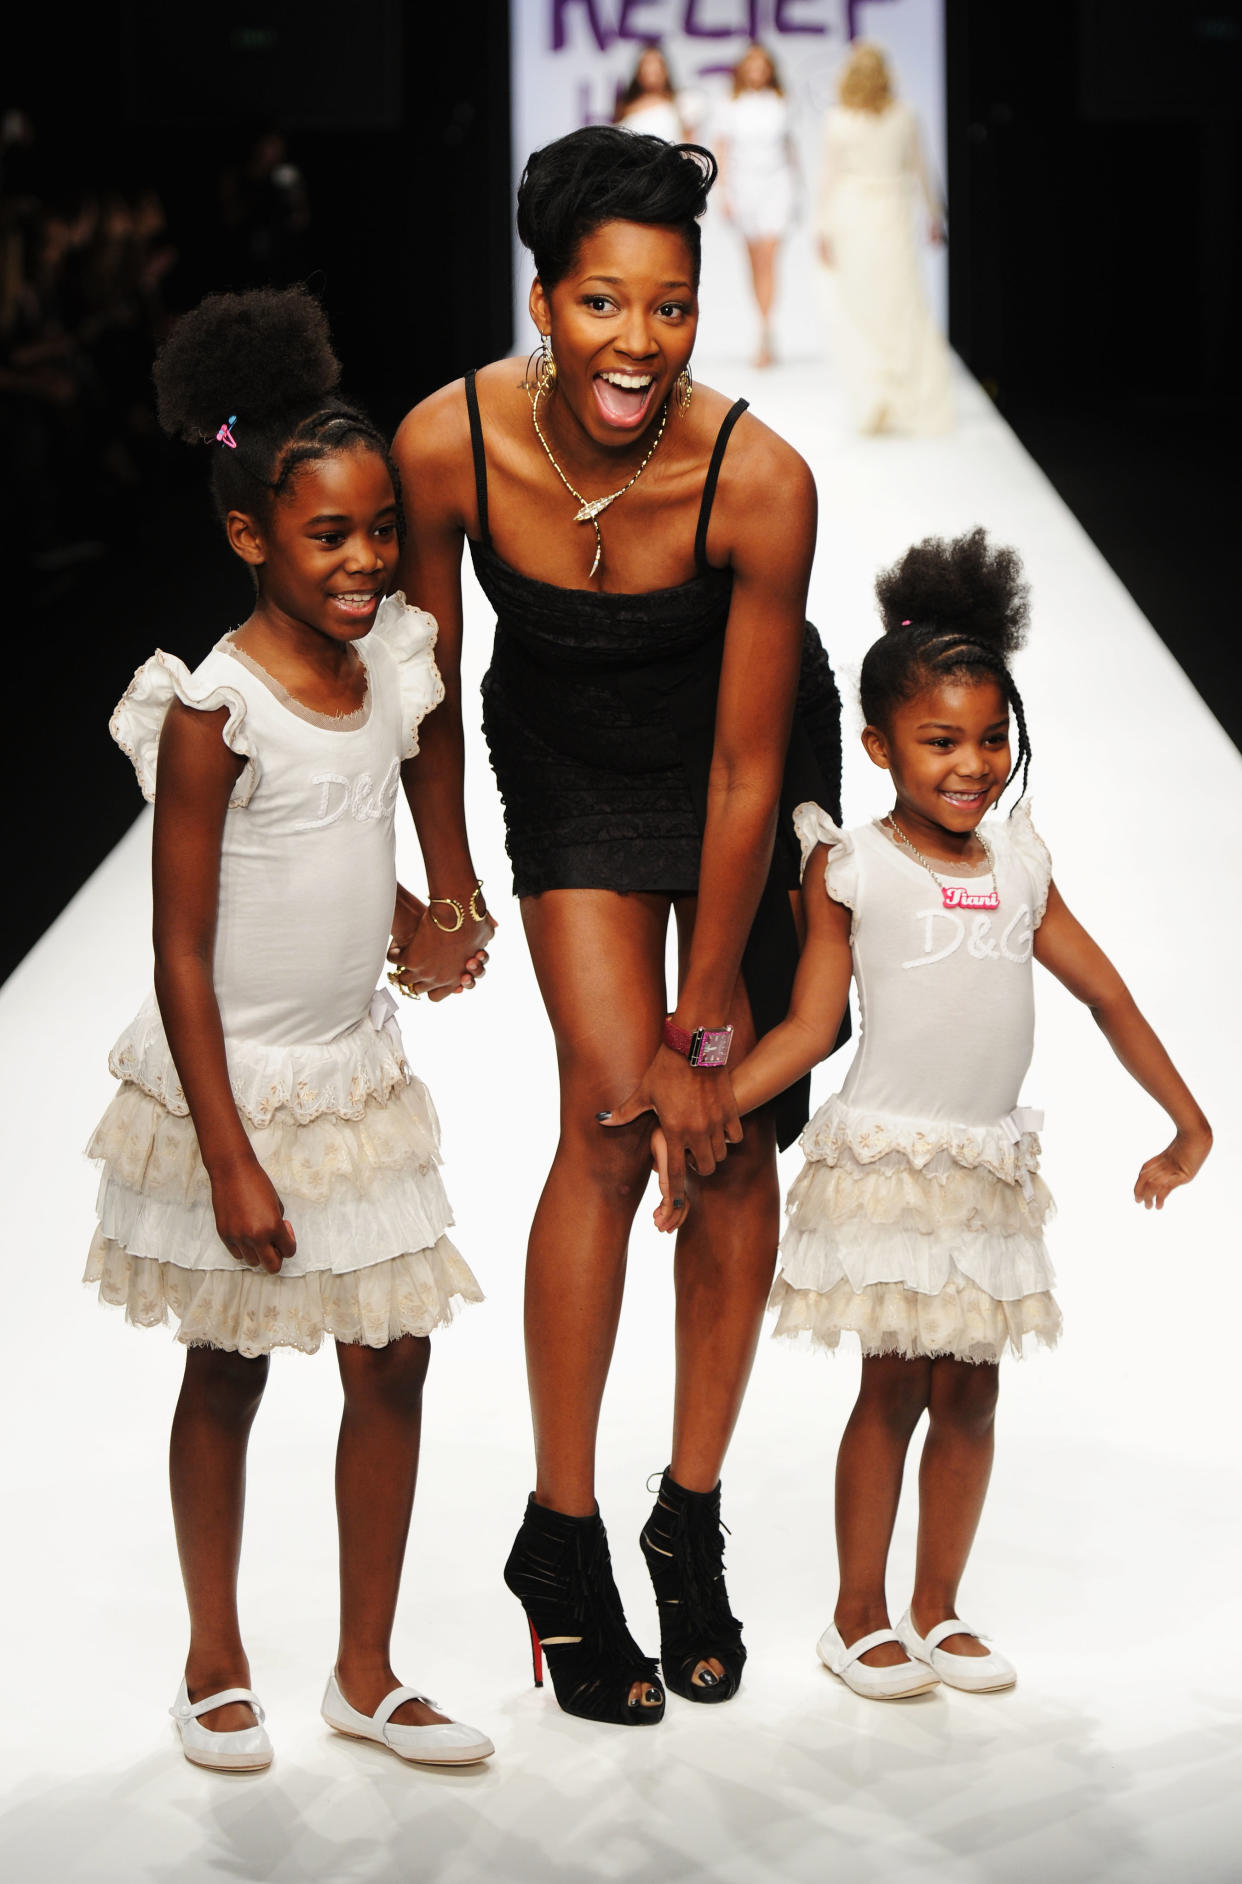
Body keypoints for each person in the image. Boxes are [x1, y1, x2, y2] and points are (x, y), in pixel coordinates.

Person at [390, 125, 846, 1725]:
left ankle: (690, 1516)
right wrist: (448, 881)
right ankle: (560, 1535)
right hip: (570, 760)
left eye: (668, 308)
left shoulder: (758, 475)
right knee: (607, 1115)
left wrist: (711, 1001)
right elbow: (431, 695)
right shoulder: (446, 441)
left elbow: (741, 760)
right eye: (600, 305)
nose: (636, 345)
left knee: (721, 1132)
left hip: (742, 758)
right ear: (542, 300)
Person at [648, 527, 1212, 1698]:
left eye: (992, 737)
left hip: (987, 1171)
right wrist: (704, 1109)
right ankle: (858, 1613)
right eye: (940, 741)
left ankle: (938, 1607)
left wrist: (1187, 1118)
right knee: (893, 1386)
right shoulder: (853, 867)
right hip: (895, 1164)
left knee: (973, 1391)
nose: (973, 763)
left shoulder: (1022, 863)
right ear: (878, 745)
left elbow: (1105, 994)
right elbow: (811, 1029)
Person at [83, 286, 494, 1772]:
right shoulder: (212, 708)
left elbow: (346, 830)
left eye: (381, 530)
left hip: (353, 1071)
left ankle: (366, 1671)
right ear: (252, 535)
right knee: (231, 1357)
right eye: (330, 535)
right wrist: (232, 1156)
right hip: (234, 1085)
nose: (368, 559)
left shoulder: (389, 662)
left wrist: (425, 916)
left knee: (391, 1354)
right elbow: (182, 948)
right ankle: (212, 1656)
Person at [816, 41, 952, 434]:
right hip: (892, 210)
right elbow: (922, 169)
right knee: (899, 301)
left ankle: (876, 395)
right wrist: (934, 215)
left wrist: (821, 228)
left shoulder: (840, 118)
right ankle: (900, 396)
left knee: (863, 303)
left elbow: (829, 177)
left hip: (853, 213)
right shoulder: (904, 115)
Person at [713, 42, 798, 368]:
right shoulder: (730, 104)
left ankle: (765, 331)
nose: (757, 70)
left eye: (763, 64)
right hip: (743, 189)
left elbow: (790, 149)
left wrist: (796, 191)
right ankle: (762, 327)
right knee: (753, 262)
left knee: (770, 258)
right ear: (743, 68)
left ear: (770, 68)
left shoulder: (781, 102)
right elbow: (722, 147)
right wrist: (724, 193)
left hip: (777, 186)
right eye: (752, 64)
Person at [615, 41, 686, 143]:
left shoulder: (679, 103)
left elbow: (689, 143)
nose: (651, 69)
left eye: (656, 64)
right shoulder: (625, 107)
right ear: (638, 71)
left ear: (665, 70)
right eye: (647, 64)